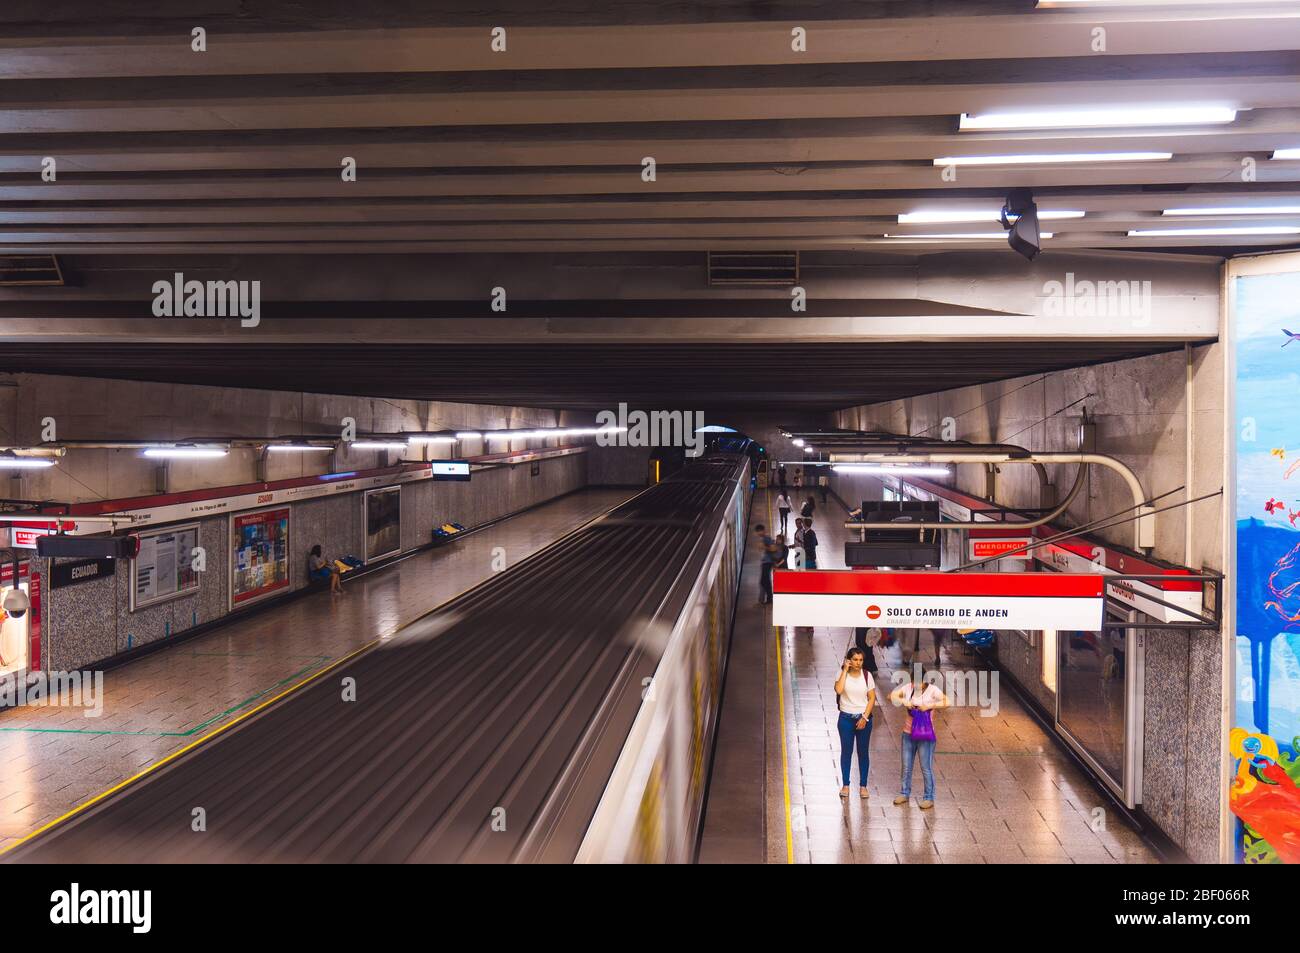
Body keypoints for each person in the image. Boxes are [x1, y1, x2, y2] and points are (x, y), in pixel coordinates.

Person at [890, 665, 949, 809]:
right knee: (906, 765)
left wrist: (929, 706)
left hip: (925, 736)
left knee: (926, 767)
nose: (916, 686)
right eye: (914, 682)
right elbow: (892, 696)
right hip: (908, 733)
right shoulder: (908, 688)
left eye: (919, 683)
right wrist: (906, 702)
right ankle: (904, 792)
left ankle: (929, 797)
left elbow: (947, 702)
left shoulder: (933, 690)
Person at [834, 647, 877, 799]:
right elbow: (839, 690)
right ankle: (845, 785)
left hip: (863, 718)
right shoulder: (841, 674)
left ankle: (863, 786)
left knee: (863, 752)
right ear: (849, 660)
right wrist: (845, 670)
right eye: (855, 660)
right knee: (846, 752)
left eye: (861, 660)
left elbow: (872, 698)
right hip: (845, 718)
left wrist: (864, 718)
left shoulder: (867, 676)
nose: (858, 663)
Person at [755, 524, 777, 605]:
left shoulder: (767, 538)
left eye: (758, 531)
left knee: (764, 581)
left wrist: (764, 547)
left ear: (762, 530)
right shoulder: (763, 538)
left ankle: (769, 598)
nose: (758, 533)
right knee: (764, 581)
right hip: (765, 562)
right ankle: (766, 598)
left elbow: (773, 548)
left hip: (768, 562)